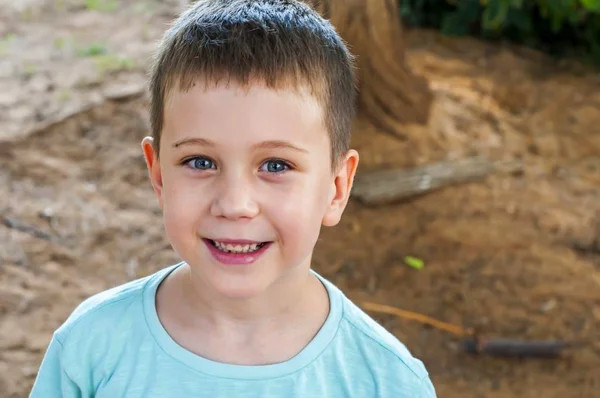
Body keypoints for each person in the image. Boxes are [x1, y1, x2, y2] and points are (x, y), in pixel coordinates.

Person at [30, 1, 436, 396]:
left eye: (276, 166)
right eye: (200, 161)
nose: (235, 204)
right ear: (158, 175)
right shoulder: (90, 349)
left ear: (336, 188)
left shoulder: (386, 381)